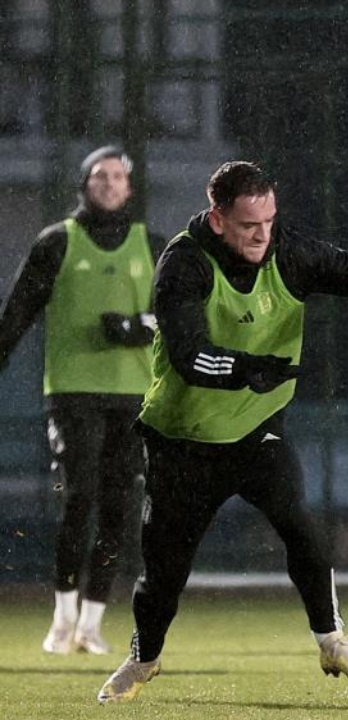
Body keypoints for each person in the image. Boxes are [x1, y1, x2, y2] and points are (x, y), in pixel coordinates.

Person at [96, 161, 348, 703]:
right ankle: (143, 658)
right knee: (164, 575)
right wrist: (246, 368)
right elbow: (188, 355)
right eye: (249, 224)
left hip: (256, 432)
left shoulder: (288, 253)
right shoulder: (182, 265)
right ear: (217, 219)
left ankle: (332, 640)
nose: (263, 234)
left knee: (302, 531)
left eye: (269, 219)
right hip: (182, 441)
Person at [0, 146, 165, 656]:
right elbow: (18, 310)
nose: (110, 183)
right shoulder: (57, 243)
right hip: (73, 391)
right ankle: (63, 614)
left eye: (118, 176)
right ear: (85, 183)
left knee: (121, 507)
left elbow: (172, 316)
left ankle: (92, 622)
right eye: (100, 175)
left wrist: (135, 328)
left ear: (130, 188)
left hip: (133, 395)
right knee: (79, 498)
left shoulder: (152, 244)